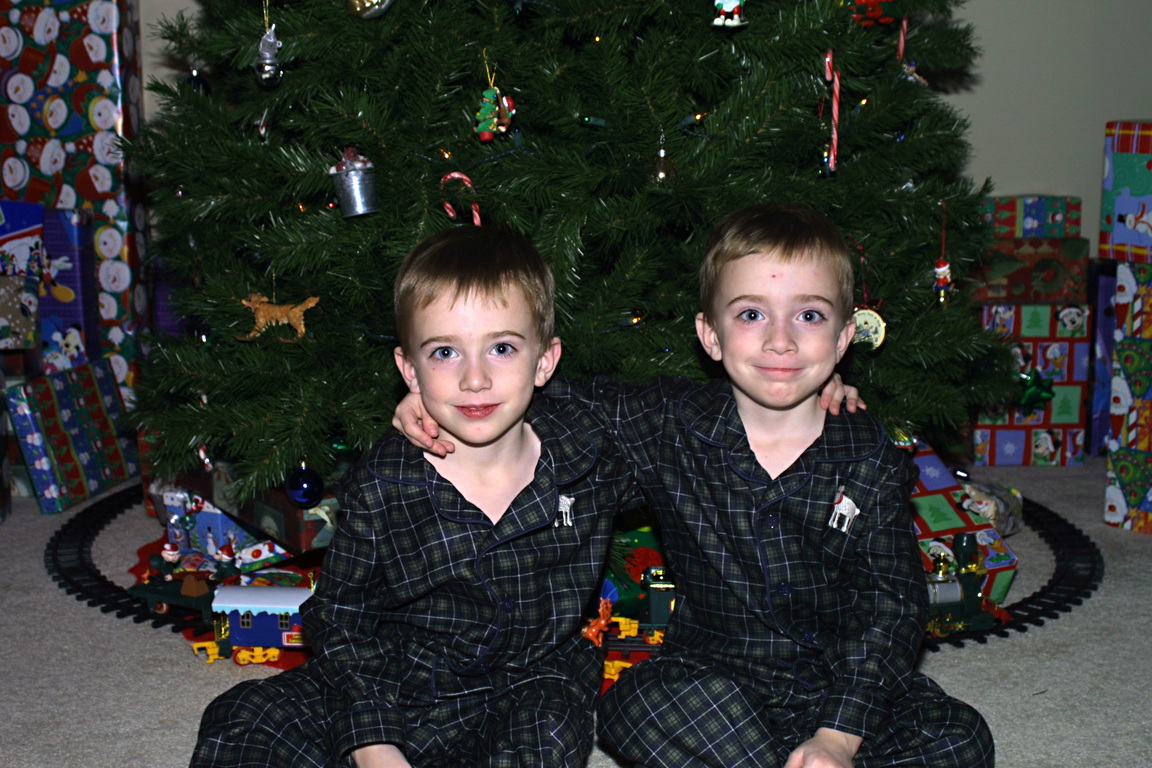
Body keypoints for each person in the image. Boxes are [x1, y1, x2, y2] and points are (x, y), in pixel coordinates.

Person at [397, 203, 994, 768]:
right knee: (635, 708)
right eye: (751, 314)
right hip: (714, 683)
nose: (781, 341)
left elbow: (893, 606)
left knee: (960, 736)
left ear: (842, 340)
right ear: (710, 335)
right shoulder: (669, 423)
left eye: (808, 316)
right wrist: (435, 397)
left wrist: (838, 735)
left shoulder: (866, 455)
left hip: (837, 684)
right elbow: (540, 397)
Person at [190, 225, 640, 768]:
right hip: (402, 673)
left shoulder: (589, 453)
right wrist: (372, 742)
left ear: (544, 361)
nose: (475, 379)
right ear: (409, 370)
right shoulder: (385, 481)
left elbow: (684, 417)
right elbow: (340, 615)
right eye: (445, 352)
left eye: (501, 348)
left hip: (529, 682)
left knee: (545, 737)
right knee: (244, 718)